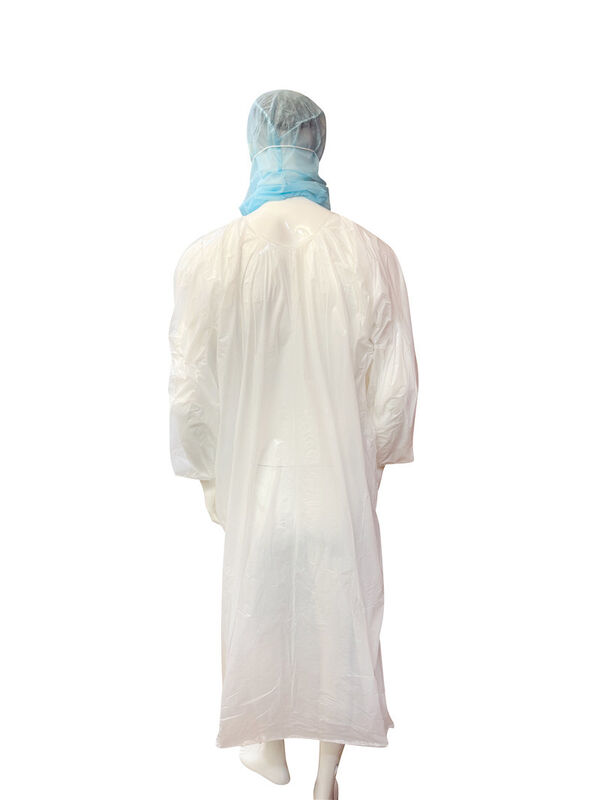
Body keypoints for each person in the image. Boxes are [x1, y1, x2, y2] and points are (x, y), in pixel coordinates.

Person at [168, 89, 419, 800]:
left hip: (258, 479)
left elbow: (190, 385)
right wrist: (367, 461)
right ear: (318, 144)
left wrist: (209, 473)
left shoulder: (210, 258)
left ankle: (266, 744)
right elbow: (395, 387)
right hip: (334, 477)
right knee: (341, 619)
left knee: (260, 609)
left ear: (254, 144)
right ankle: (327, 773)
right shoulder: (369, 254)